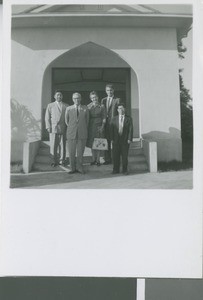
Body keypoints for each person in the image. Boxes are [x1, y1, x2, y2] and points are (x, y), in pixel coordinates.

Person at [65, 92, 89, 174]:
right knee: (71, 152)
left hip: (82, 133)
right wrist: (73, 128)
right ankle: (72, 168)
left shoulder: (85, 108)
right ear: (72, 99)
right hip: (71, 133)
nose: (77, 100)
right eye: (75, 98)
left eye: (78, 98)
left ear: (81, 99)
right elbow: (66, 121)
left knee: (80, 152)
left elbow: (87, 121)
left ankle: (79, 168)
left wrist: (81, 127)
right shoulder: (68, 108)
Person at [45, 90, 68, 167]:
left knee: (63, 145)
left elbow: (68, 118)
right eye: (57, 95)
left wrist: (67, 127)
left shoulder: (66, 106)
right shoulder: (50, 105)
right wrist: (48, 126)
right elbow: (47, 117)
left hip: (63, 127)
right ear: (54, 96)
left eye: (60, 95)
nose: (59, 96)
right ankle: (53, 160)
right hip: (53, 128)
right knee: (53, 145)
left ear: (62, 96)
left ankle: (62, 160)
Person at [110, 103, 133, 175]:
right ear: (117, 110)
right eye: (119, 108)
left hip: (125, 140)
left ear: (124, 109)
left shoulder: (128, 118)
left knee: (124, 156)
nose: (121, 110)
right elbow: (111, 130)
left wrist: (129, 139)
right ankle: (115, 169)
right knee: (115, 155)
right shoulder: (114, 118)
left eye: (122, 108)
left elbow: (130, 129)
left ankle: (125, 170)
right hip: (116, 140)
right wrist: (112, 139)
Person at [101, 83, 121, 164]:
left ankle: (116, 159)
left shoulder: (117, 100)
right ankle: (107, 159)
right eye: (108, 90)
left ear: (113, 90)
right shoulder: (103, 100)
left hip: (115, 125)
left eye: (111, 90)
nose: (110, 92)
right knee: (106, 142)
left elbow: (120, 112)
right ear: (106, 91)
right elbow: (102, 112)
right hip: (106, 124)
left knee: (115, 142)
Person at [87, 91, 106, 166]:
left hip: (99, 126)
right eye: (92, 98)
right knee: (92, 144)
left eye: (95, 97)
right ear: (91, 99)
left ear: (97, 97)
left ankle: (98, 160)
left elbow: (104, 117)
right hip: (91, 127)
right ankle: (93, 159)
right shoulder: (88, 106)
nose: (94, 99)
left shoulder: (102, 106)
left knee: (98, 143)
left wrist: (102, 127)